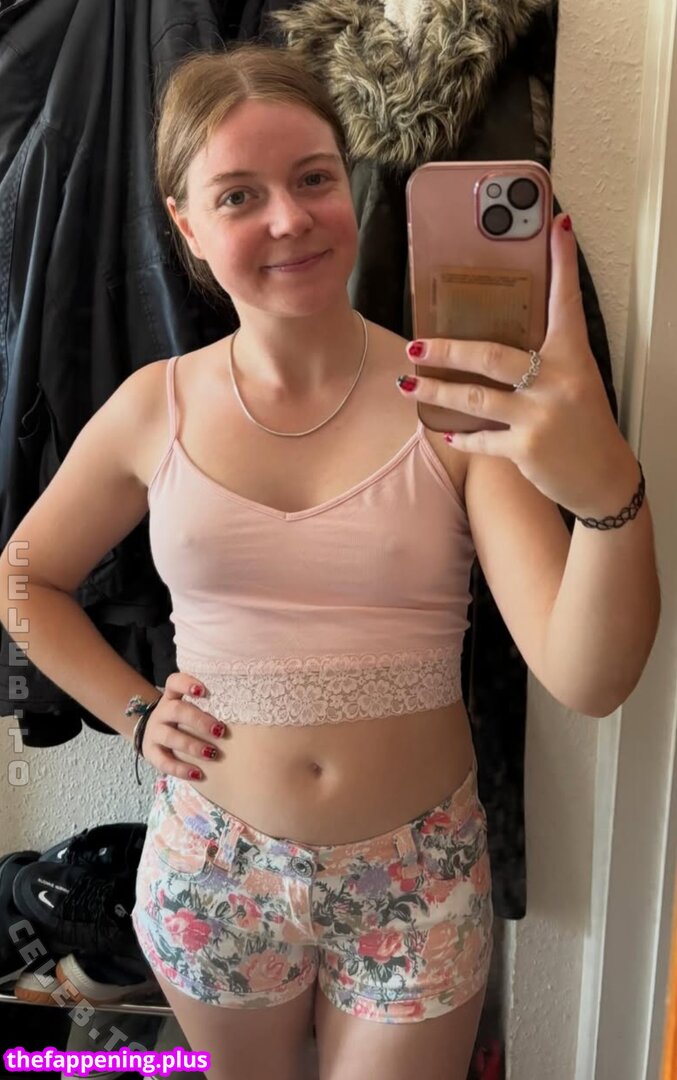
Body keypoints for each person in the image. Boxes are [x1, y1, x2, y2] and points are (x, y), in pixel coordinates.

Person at [0, 42, 660, 1080]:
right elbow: (22, 578)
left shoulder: (454, 411)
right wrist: (133, 710)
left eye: (312, 178)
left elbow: (588, 677)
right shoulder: (151, 408)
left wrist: (607, 491)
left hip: (416, 876)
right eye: (238, 194)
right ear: (186, 224)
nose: (288, 218)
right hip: (211, 873)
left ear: (348, 185)